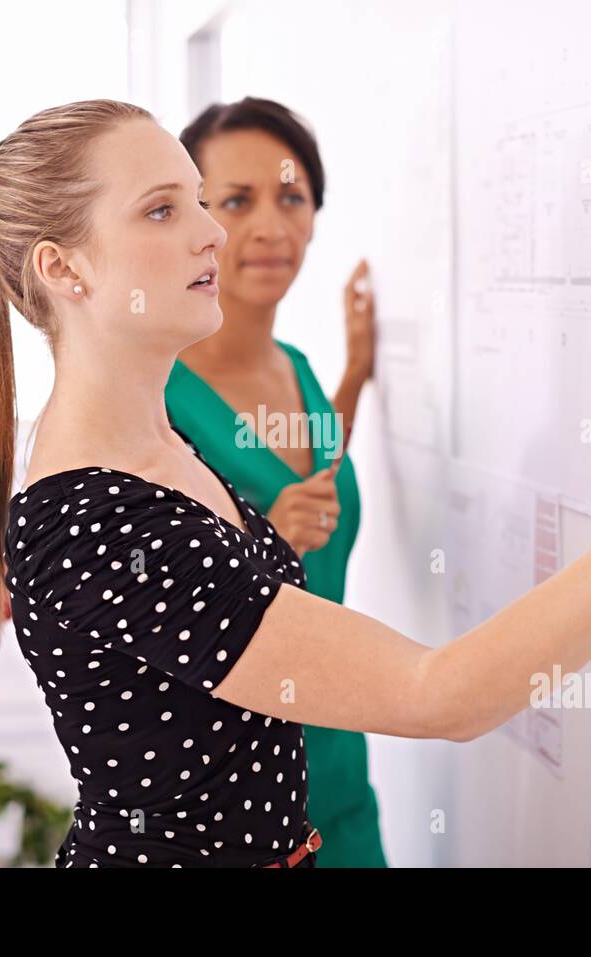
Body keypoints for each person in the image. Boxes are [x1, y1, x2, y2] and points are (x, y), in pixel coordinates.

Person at [0, 99, 591, 868]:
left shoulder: (155, 445)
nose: (213, 232)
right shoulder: (103, 524)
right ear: (63, 269)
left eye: (199, 200)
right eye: (164, 210)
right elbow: (445, 694)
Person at [163, 96, 385, 867]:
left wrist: (354, 372)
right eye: (236, 201)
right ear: (190, 220)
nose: (270, 226)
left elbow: (313, 473)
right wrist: (257, 545)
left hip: (340, 771)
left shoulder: (295, 367)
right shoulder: (158, 400)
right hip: (232, 802)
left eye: (292, 197)